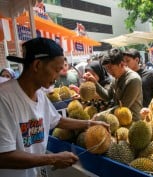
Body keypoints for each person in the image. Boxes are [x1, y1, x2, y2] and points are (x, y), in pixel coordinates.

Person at [0, 37, 109, 177]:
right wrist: (53, 158)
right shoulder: (4, 98)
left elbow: (57, 120)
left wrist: (89, 123)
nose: (58, 77)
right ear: (37, 65)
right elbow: (3, 156)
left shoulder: (39, 94)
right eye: (56, 70)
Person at [84, 48, 143, 121]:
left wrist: (101, 115)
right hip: (117, 119)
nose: (109, 72)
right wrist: (95, 82)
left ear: (121, 64)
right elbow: (107, 96)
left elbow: (123, 107)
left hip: (132, 121)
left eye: (110, 68)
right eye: (106, 69)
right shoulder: (115, 78)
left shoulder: (133, 80)